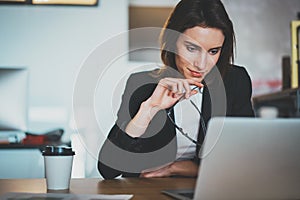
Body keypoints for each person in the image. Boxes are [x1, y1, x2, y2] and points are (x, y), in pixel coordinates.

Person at [98, 0, 254, 179]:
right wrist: (149, 109)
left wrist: (176, 168)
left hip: (211, 187)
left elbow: (243, 160)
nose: (201, 65)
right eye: (192, 48)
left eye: (213, 51)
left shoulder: (235, 81)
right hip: (150, 191)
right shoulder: (141, 84)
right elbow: (108, 169)